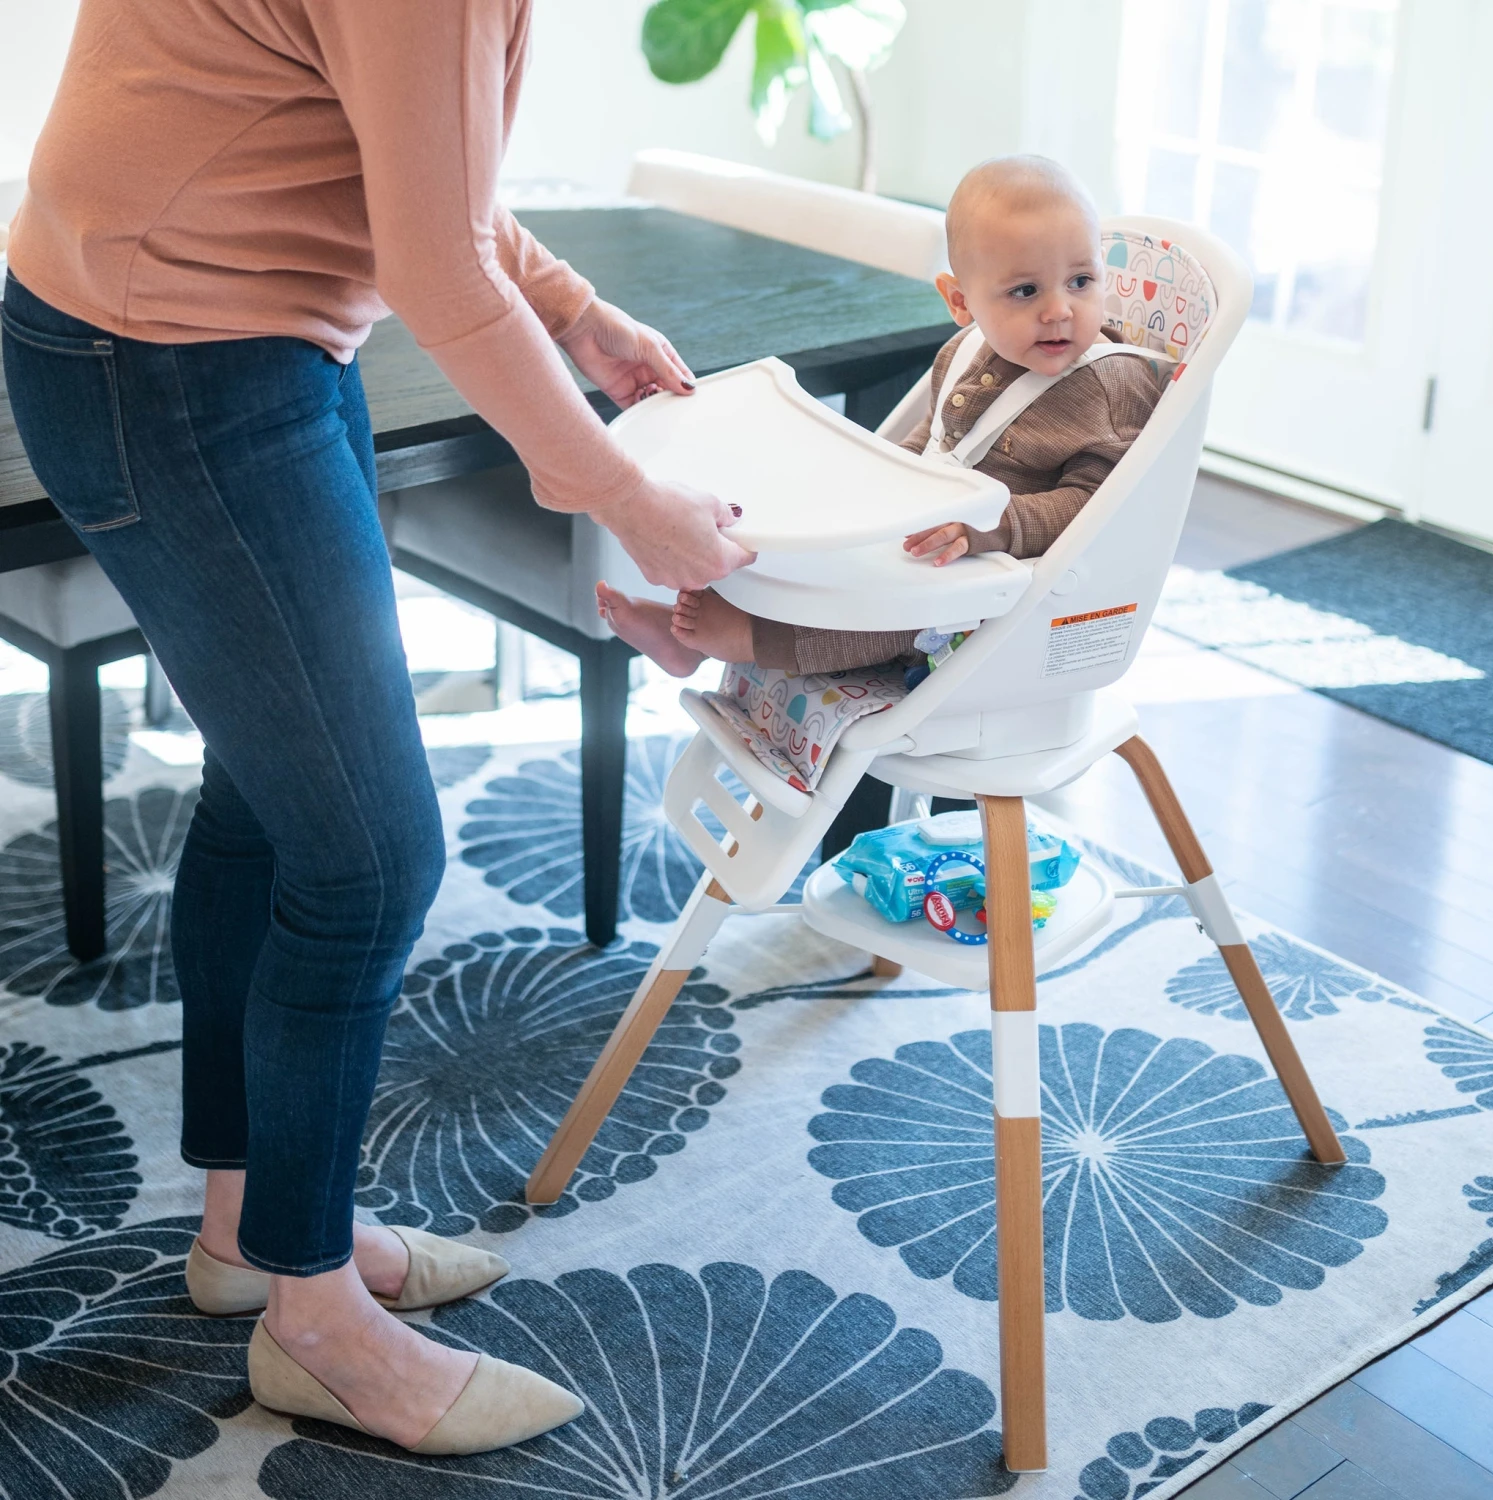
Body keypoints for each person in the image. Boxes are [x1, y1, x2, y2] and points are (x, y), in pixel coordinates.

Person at [0, 0, 750, 1457]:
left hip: (202, 330)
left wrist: (577, 310)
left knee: (272, 803)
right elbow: (433, 256)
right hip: (176, 356)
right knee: (369, 857)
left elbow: (410, 161)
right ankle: (319, 1322)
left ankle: (253, 1228)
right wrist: (622, 493)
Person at [598, 155, 1171, 680]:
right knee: (808, 535)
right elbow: (938, 438)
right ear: (961, 303)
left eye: (1081, 281)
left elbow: (1103, 507)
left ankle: (737, 639)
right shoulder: (967, 348)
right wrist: (882, 481)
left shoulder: (1108, 385)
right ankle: (703, 631)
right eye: (1025, 290)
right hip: (924, 534)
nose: (1059, 310)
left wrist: (994, 528)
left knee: (877, 613)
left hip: (989, 583)